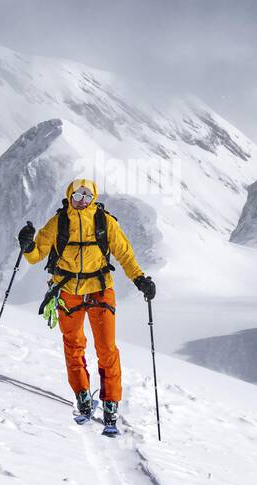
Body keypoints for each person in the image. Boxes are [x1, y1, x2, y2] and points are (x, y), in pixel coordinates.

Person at [17, 179, 156, 435]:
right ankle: (82, 395)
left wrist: (140, 279)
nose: (82, 200)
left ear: (93, 198)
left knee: (106, 348)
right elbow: (37, 254)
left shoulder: (105, 222)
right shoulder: (58, 222)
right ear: (69, 195)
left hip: (100, 289)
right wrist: (27, 246)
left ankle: (110, 402)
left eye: (86, 195)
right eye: (78, 195)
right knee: (73, 345)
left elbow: (124, 253)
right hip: (67, 291)